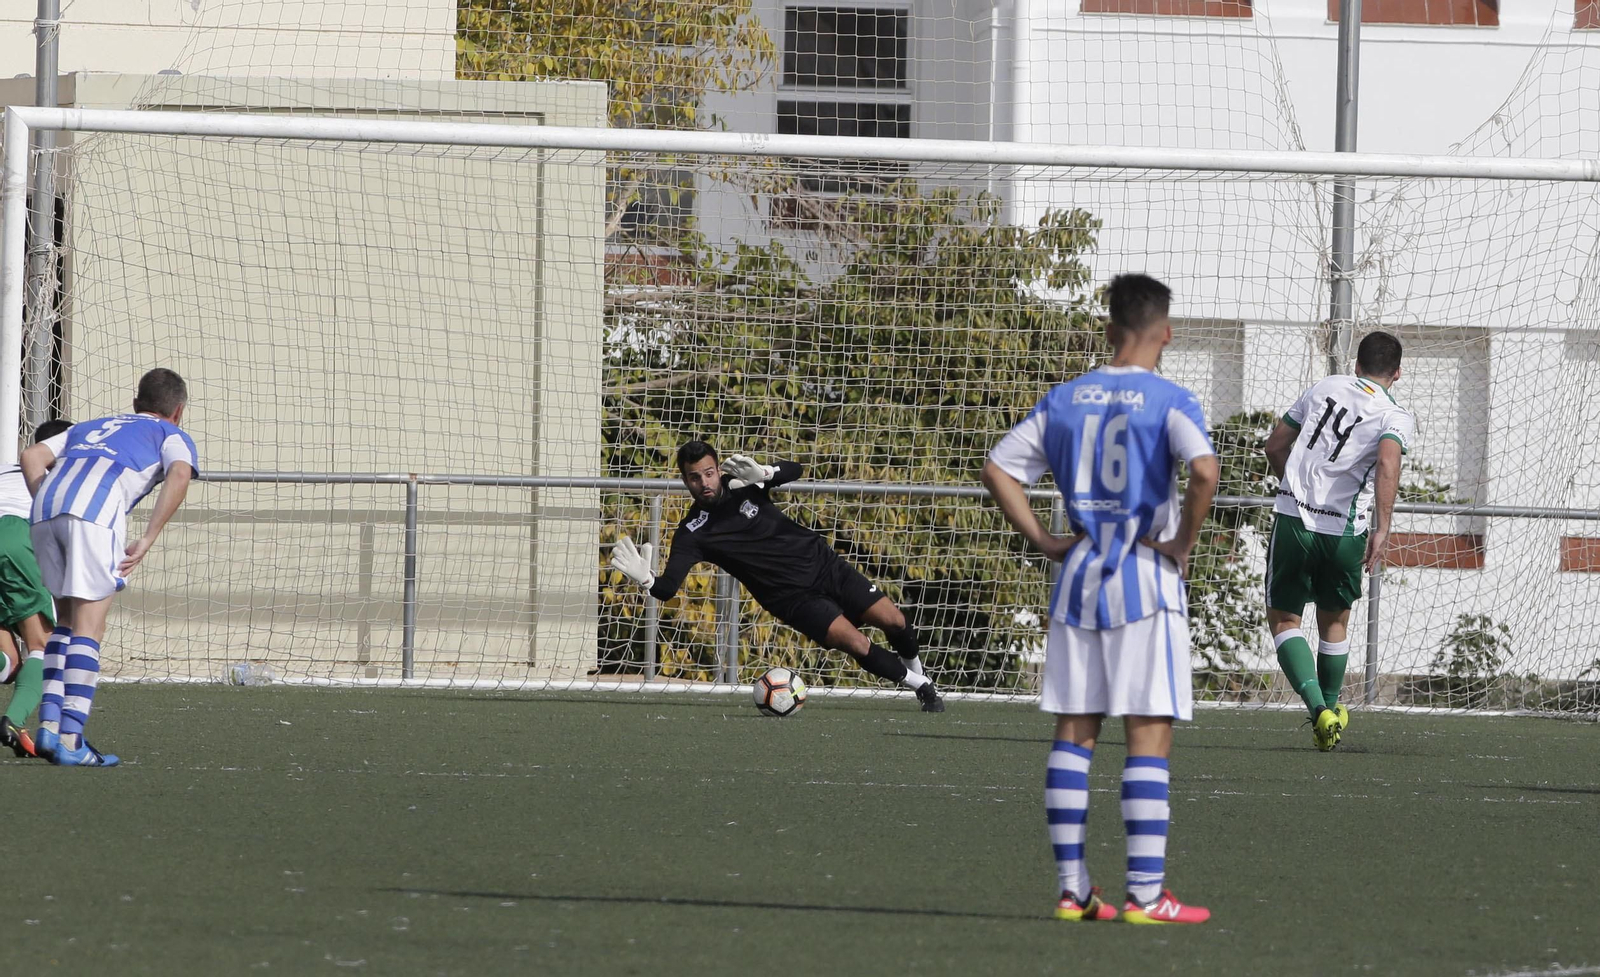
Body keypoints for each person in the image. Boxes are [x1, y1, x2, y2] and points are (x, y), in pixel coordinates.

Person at [981, 273, 1217, 924]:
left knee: (1075, 731)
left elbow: (997, 467)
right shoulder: (1171, 398)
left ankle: (1072, 888)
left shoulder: (1064, 398)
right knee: (1148, 732)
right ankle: (1145, 895)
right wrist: (1182, 541)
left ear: (1110, 330)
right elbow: (1203, 470)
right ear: (1165, 333)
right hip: (1144, 573)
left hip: (1080, 573)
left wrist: (1044, 540)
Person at [609, 442, 945, 712]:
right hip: (792, 598)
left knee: (896, 621)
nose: (704, 482)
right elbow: (667, 589)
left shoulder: (743, 483)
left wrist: (766, 473)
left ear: (717, 470)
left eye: (709, 473)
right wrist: (647, 580)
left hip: (824, 565)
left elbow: (796, 469)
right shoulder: (692, 533)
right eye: (695, 477)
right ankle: (923, 688)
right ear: (686, 481)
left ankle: (919, 673)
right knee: (856, 642)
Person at [21, 368, 198, 767]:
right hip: (94, 513)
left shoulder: (91, 425)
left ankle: (48, 727)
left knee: (64, 620)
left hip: (45, 507)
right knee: (90, 626)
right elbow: (181, 473)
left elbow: (32, 455)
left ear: (136, 404)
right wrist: (150, 536)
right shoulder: (172, 434)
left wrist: (50, 500)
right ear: (179, 411)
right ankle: (70, 739)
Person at [1260, 331, 1413, 751]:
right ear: (1396, 373)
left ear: (1357, 364)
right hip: (1346, 532)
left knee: (1284, 619)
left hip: (1294, 522)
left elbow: (1275, 445)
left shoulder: (1325, 386)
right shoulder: (1394, 415)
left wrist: (1292, 485)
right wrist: (1382, 529)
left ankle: (1318, 710)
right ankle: (1330, 714)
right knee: (1335, 622)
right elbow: (1387, 461)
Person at [0, 420, 74, 757]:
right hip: (12, 535)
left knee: (8, 662)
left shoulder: (5, 470)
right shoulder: (58, 481)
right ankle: (13, 720)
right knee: (41, 645)